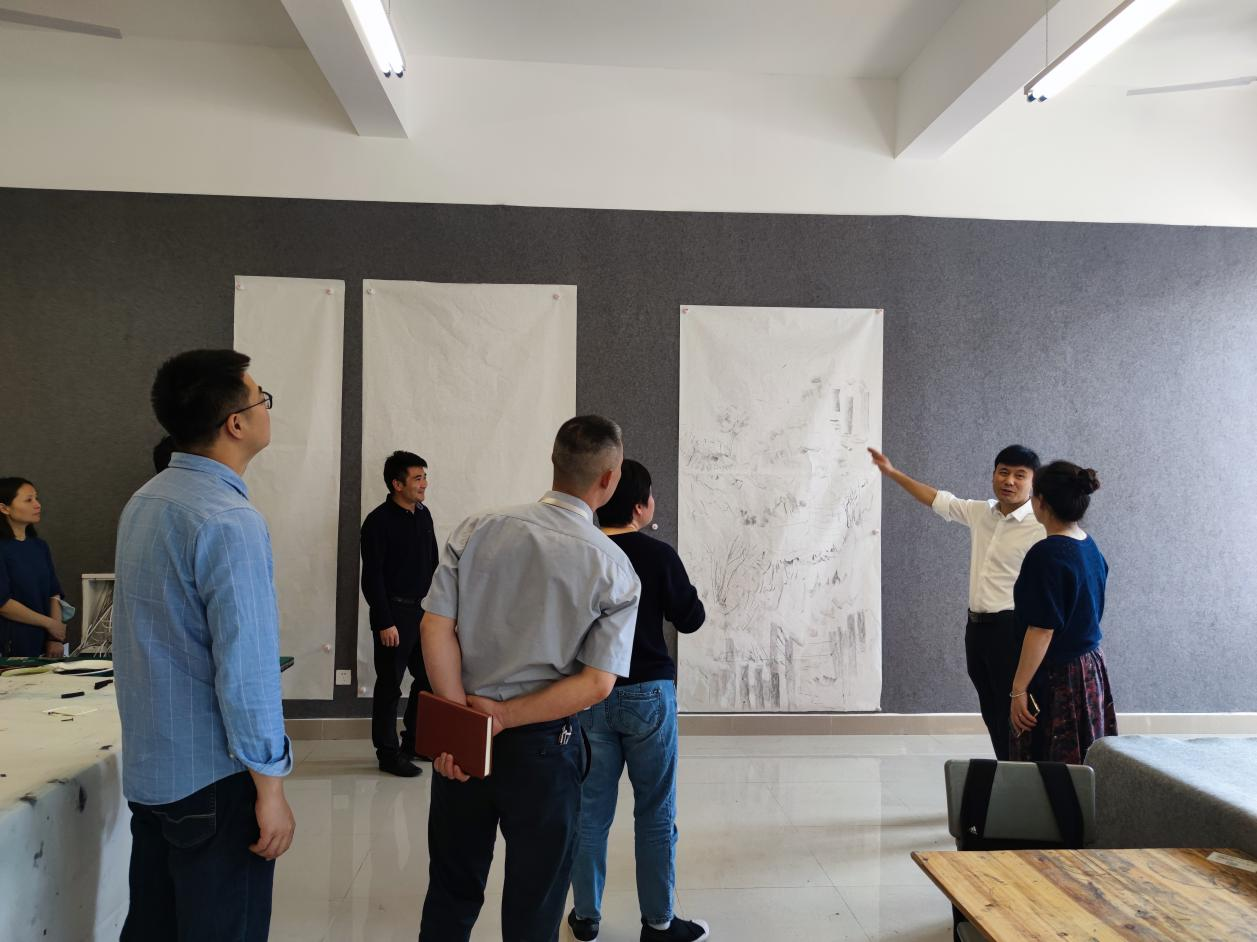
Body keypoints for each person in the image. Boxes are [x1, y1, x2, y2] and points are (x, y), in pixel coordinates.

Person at [417, 415, 641, 942]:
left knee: (450, 892)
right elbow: (596, 684)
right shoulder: (613, 567)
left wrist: (462, 723)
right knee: (535, 905)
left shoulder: (478, 527)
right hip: (543, 748)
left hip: (463, 737)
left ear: (554, 461)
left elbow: (434, 626)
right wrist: (504, 717)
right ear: (609, 478)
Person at [113, 349, 295, 942]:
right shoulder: (229, 520)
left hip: (154, 770)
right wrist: (269, 786)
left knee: (155, 925)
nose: (267, 409)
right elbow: (247, 670)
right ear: (236, 423)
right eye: (262, 398)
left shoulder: (146, 500)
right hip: (215, 780)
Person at [568, 459, 710, 942]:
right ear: (639, 507)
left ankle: (585, 917)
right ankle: (659, 923)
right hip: (649, 693)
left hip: (589, 691)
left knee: (590, 810)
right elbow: (691, 619)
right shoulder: (658, 555)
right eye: (650, 497)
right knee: (655, 811)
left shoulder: (582, 551)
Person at [869, 444, 1046, 759]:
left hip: (1011, 629)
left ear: (1033, 483)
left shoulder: (1041, 525)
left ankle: (1024, 773)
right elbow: (938, 499)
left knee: (1015, 709)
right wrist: (893, 473)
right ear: (993, 474)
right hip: (977, 628)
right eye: (1003, 472)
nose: (1009, 481)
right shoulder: (981, 512)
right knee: (991, 707)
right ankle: (1007, 767)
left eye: (1020, 475)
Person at [1009, 461, 1116, 763]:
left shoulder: (1046, 554)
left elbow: (1042, 630)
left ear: (1041, 501)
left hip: (1060, 675)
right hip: (1090, 666)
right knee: (1084, 758)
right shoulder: (1089, 546)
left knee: (1052, 766)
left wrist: (1018, 689)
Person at [360, 449, 439, 777]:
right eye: (417, 478)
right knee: (390, 685)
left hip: (424, 613)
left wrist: (438, 611)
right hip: (394, 614)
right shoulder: (378, 522)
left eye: (424, 477)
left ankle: (415, 742)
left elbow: (433, 564)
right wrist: (384, 621)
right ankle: (388, 754)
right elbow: (372, 577)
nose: (424, 484)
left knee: (429, 678)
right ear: (397, 484)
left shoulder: (423, 515)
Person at [0, 477, 66, 658]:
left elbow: (54, 593)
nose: (37, 505)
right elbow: (3, 603)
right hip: (10, 645)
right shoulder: (3, 549)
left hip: (44, 644)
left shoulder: (39, 546)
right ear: (4, 508)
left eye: (36, 498)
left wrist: (54, 637)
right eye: (28, 500)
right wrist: (49, 624)